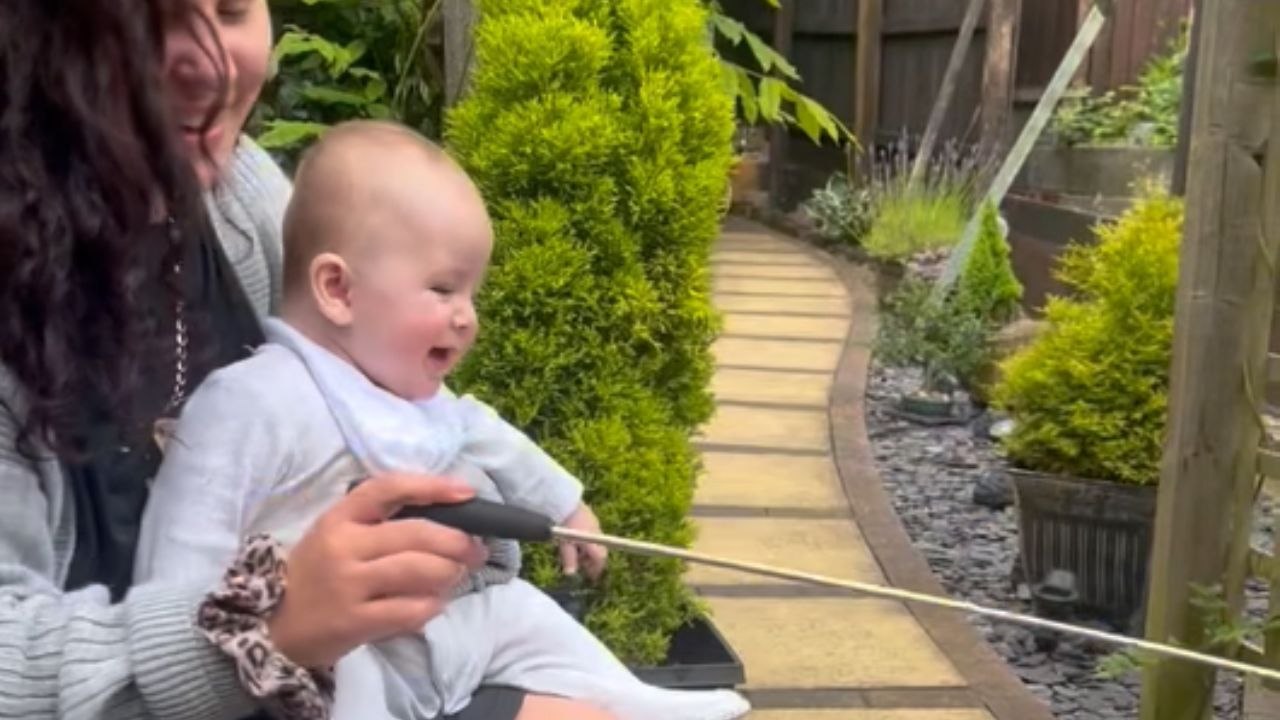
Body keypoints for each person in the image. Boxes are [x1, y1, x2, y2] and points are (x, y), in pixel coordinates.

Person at [0, 2, 622, 718]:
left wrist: (449, 544)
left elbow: (389, 409)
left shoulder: (246, 203)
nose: (209, 65)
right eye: (152, 24)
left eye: (231, 10)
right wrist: (261, 629)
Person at [133, 120, 752, 720]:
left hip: (437, 629)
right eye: (443, 289)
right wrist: (206, 628)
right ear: (338, 290)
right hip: (335, 649)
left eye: (471, 294)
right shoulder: (250, 401)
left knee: (520, 612)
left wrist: (567, 508)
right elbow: (185, 541)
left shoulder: (410, 395)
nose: (467, 317)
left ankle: (633, 698)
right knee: (343, 676)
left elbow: (491, 437)